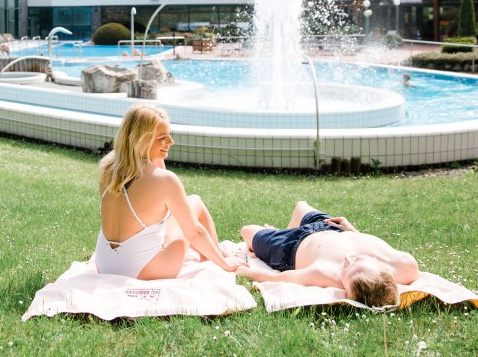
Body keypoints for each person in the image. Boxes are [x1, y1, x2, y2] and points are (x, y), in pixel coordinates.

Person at [95, 104, 244, 280]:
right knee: (194, 203)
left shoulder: (109, 168)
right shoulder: (165, 180)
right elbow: (194, 232)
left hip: (104, 263)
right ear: (142, 140)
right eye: (162, 138)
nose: (171, 142)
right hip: (140, 271)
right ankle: (215, 258)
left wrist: (156, 154)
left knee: (189, 206)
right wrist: (226, 266)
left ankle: (211, 254)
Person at [238, 201, 420, 307]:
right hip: (332, 227)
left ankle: (280, 233)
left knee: (247, 231)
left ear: (347, 291)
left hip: (291, 245)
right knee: (300, 205)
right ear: (384, 269)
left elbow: (277, 279)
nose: (347, 259)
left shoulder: (325, 273)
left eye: (346, 269)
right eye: (357, 259)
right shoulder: (405, 265)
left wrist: (243, 270)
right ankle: (283, 229)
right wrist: (352, 230)